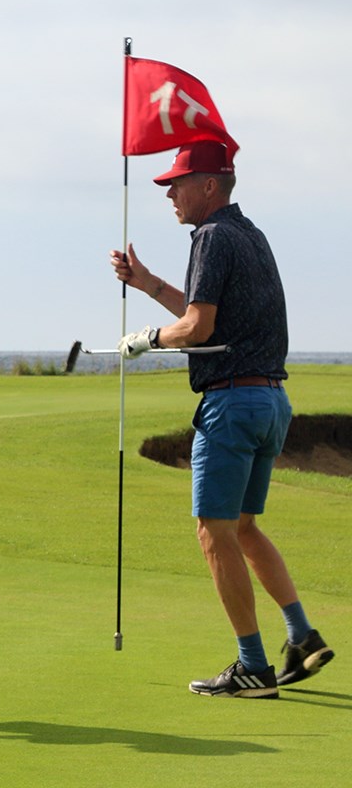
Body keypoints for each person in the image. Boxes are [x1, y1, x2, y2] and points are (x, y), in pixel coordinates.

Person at [112, 140, 334, 699]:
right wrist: (147, 284)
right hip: (270, 402)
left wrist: (147, 339)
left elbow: (197, 329)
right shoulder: (248, 234)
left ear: (209, 185)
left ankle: (252, 667)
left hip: (232, 405)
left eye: (177, 184)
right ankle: (302, 635)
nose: (170, 194)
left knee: (214, 532)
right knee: (243, 528)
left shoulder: (210, 237)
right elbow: (205, 312)